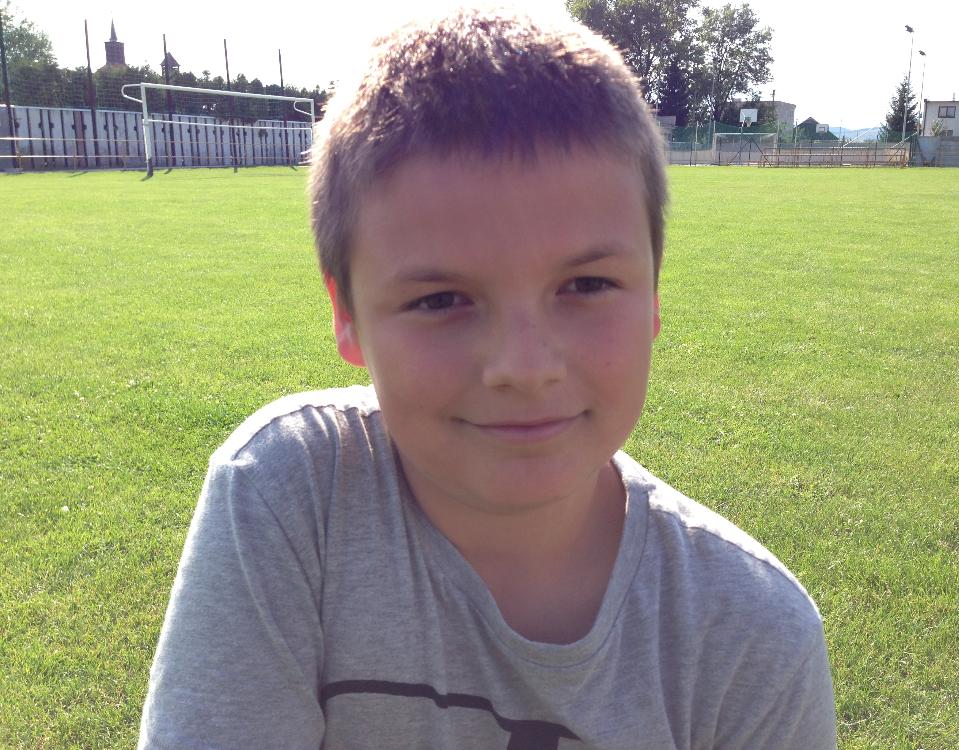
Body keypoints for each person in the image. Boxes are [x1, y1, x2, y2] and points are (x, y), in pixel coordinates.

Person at [138, 8, 837, 749]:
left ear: (655, 296)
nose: (524, 369)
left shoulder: (752, 637)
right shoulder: (292, 496)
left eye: (587, 285)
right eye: (441, 300)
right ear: (347, 316)